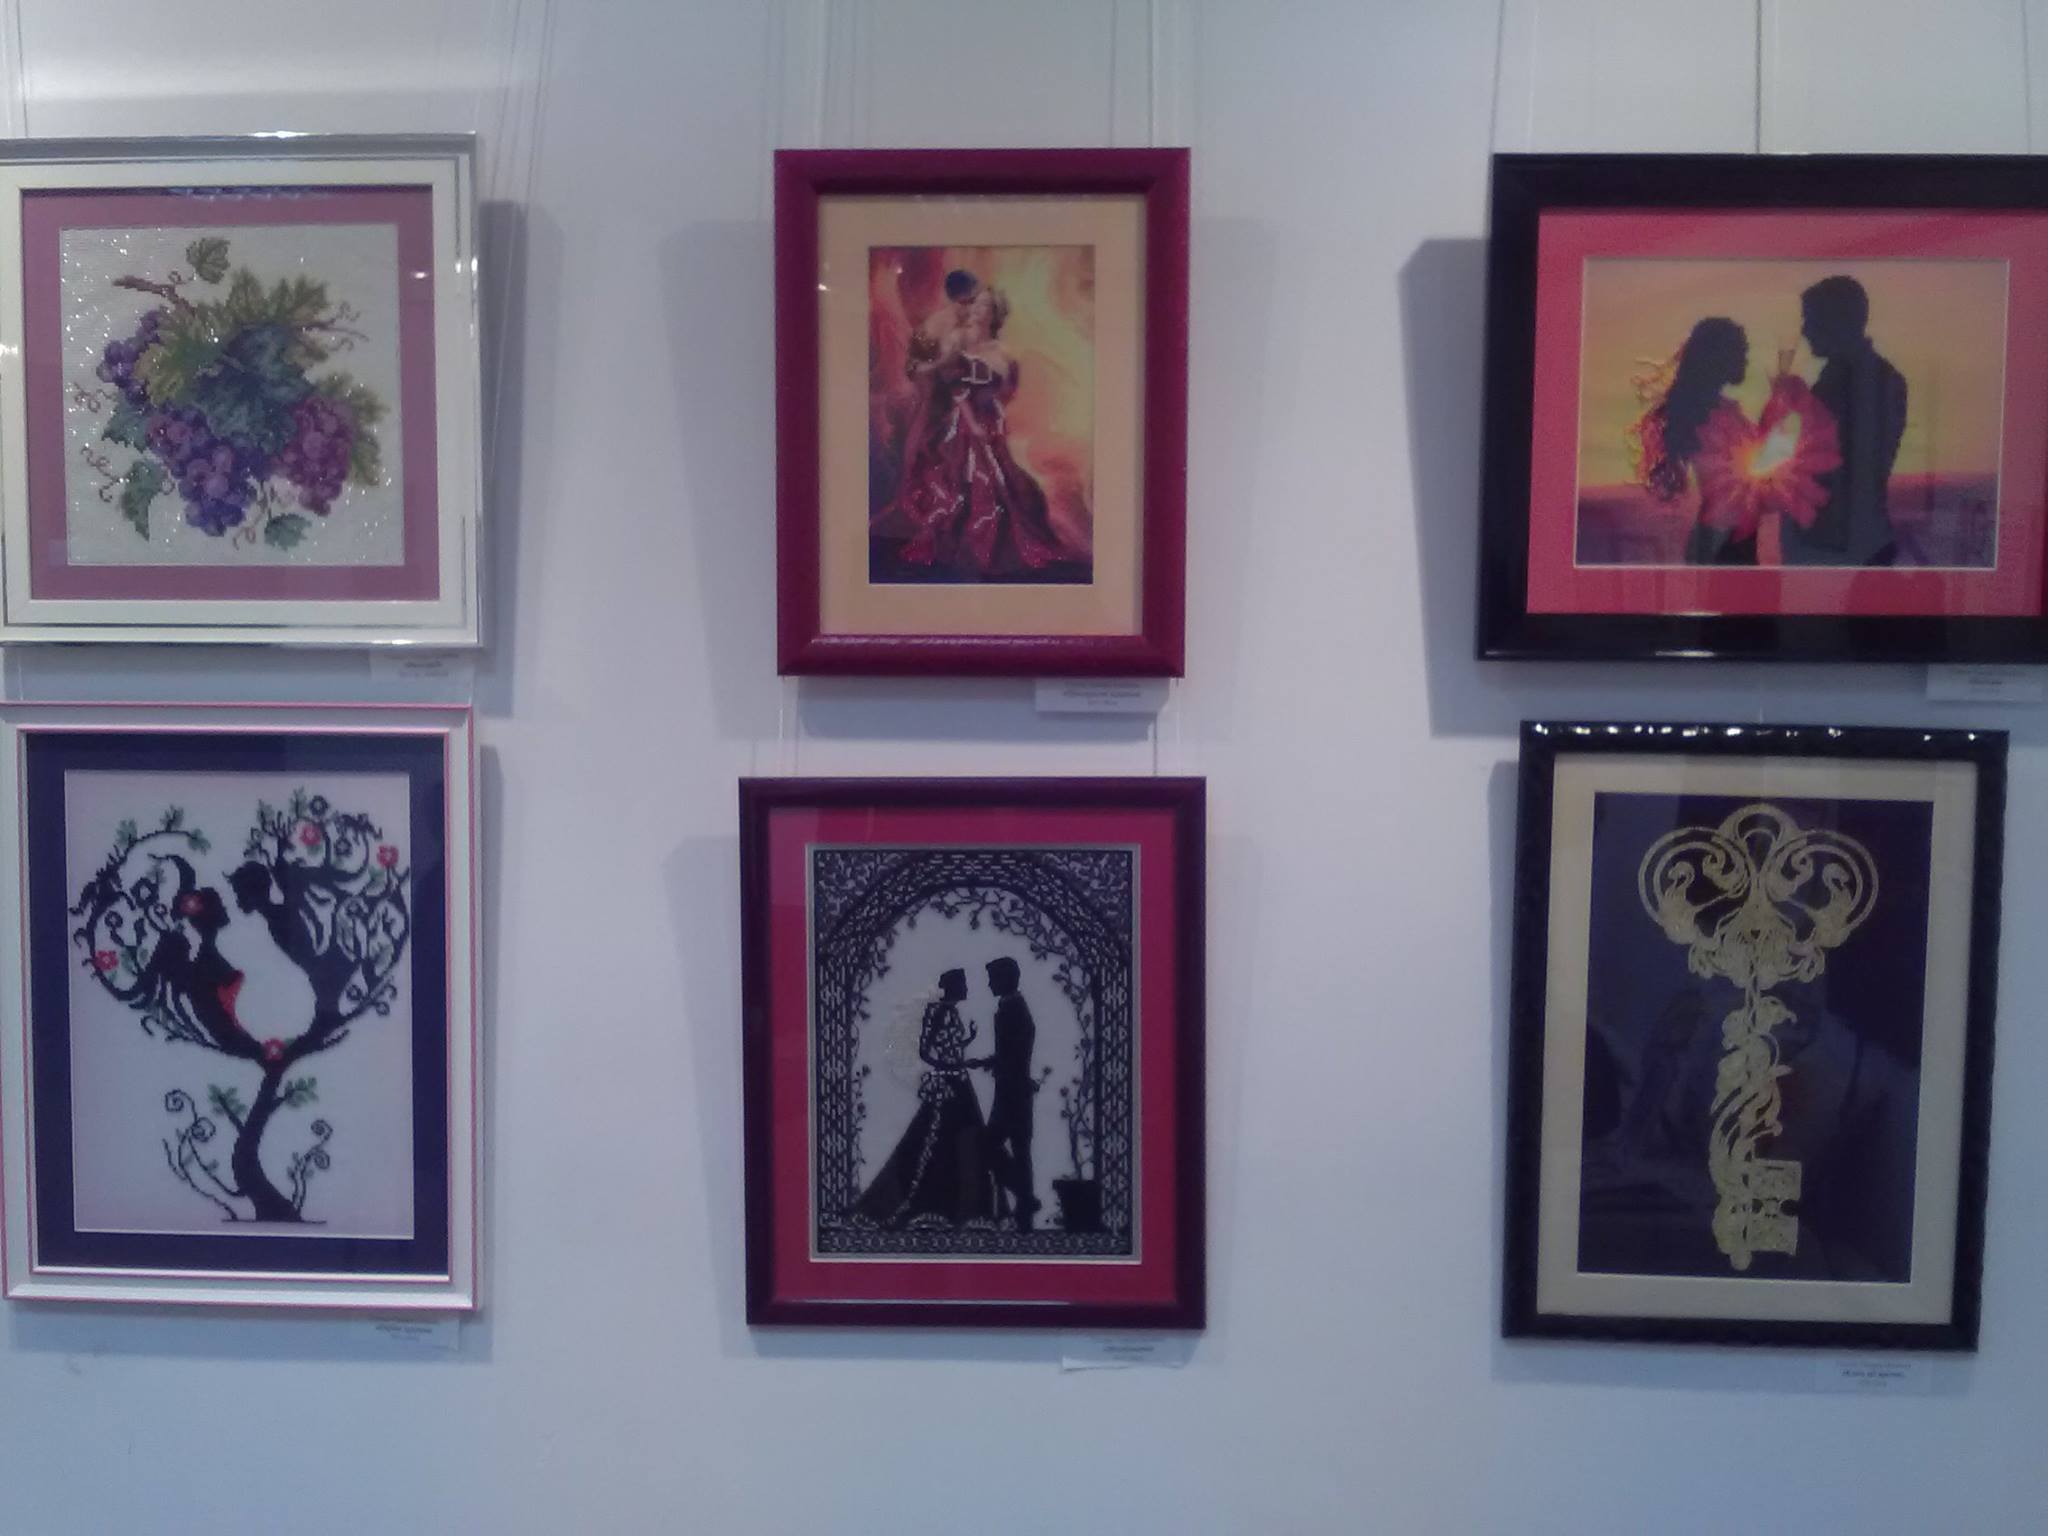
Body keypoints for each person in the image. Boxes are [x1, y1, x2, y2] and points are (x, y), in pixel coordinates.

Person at [871, 284, 1072, 578]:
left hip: (990, 418)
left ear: (995, 314)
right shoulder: (958, 340)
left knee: (1004, 477)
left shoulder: (1003, 352)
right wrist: (972, 420)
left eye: (985, 306)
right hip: (961, 419)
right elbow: (951, 383)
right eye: (976, 304)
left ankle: (1001, 537)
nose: (977, 310)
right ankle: (957, 535)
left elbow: (1008, 387)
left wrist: (992, 409)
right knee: (966, 473)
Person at [1629, 317, 1840, 565]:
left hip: (1723, 539)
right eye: (1742, 351)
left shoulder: (1714, 411)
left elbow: (1758, 457)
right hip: (1723, 544)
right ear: (1720, 358)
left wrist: (1780, 400)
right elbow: (1757, 472)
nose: (1746, 360)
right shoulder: (1714, 417)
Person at [1779, 275, 1909, 567]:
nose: (1805, 330)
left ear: (1838, 321)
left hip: (1837, 552)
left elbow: (1840, 468)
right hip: (1843, 546)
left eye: (1810, 319)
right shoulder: (1860, 378)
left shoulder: (1865, 382)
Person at [851, 968, 993, 1230]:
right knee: (934, 1141)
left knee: (964, 1143)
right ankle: (927, 1205)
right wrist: (952, 1067)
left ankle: (962, 1208)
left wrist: (967, 1042)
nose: (966, 988)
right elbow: (926, 1051)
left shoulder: (952, 1012)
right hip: (948, 1084)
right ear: (952, 987)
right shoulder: (937, 1012)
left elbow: (949, 1045)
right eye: (962, 984)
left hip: (959, 1082)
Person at [972, 957, 1040, 1231]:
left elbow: (1014, 1052)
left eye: (993, 979)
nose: (989, 984)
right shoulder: (1013, 1007)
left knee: (987, 1146)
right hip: (1015, 1089)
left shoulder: (1012, 1009)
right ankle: (1025, 1210)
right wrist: (990, 1061)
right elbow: (1012, 1051)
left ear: (1006, 979)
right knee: (1020, 1151)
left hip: (1011, 1092)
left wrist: (995, 1063)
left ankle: (1025, 1198)